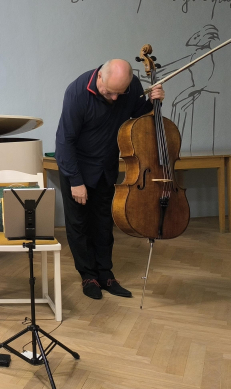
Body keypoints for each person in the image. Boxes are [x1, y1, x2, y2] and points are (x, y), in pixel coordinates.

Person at [55, 59, 165, 300]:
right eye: (110, 92)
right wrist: (76, 181)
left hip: (106, 166)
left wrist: (152, 102)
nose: (115, 98)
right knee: (79, 224)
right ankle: (88, 276)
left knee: (104, 222)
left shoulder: (130, 86)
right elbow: (65, 141)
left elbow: (135, 113)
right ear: (100, 77)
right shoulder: (77, 93)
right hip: (77, 167)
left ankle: (106, 274)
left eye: (120, 93)